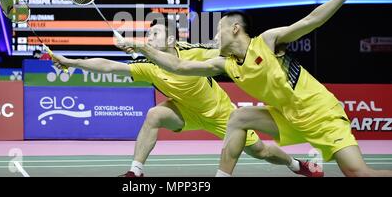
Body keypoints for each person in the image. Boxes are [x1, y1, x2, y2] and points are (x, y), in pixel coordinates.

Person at [126, 0, 392, 177]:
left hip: (320, 113)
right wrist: (143, 48)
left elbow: (312, 20)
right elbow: (179, 66)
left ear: (235, 29)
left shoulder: (268, 41)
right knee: (239, 118)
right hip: (286, 116)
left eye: (219, 30)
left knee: (358, 173)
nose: (215, 36)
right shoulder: (225, 63)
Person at [52, 20, 321, 177]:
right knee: (154, 114)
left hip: (220, 115)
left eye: (154, 33)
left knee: (260, 151)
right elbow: (109, 65)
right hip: (185, 112)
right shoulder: (149, 66)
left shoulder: (195, 53)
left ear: (171, 38)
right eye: (148, 34)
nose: (149, 37)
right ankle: (136, 172)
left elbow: (224, 50)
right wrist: (70, 61)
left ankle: (295, 164)